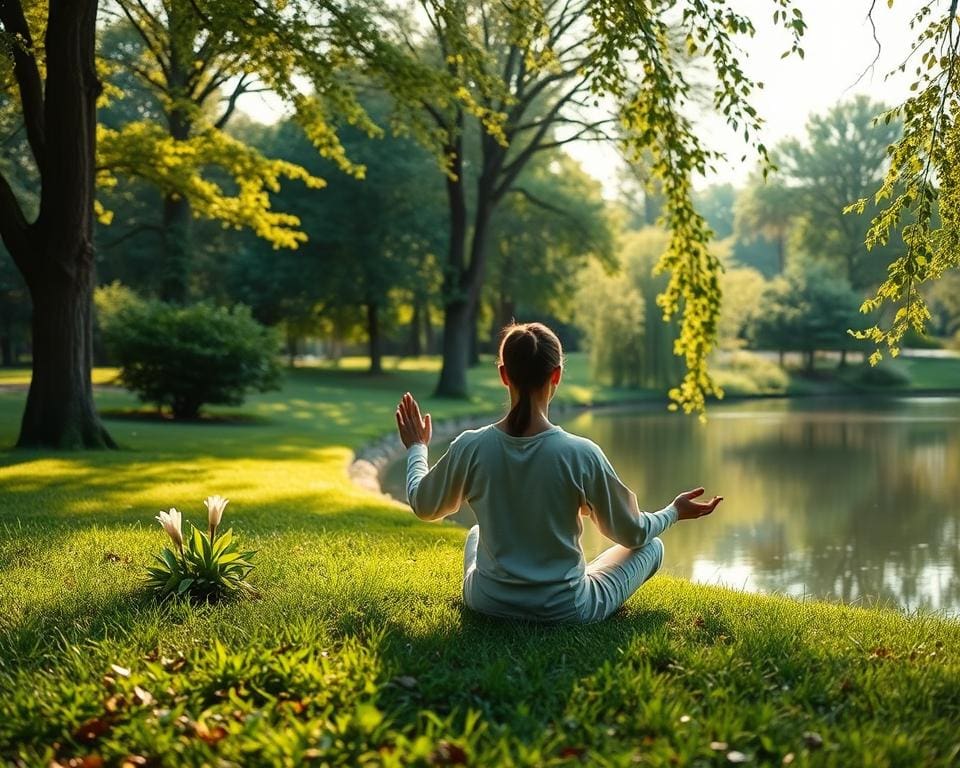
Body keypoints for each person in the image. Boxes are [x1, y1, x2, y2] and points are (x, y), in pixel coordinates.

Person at [394, 321, 722, 623]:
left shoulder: (472, 446)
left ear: (504, 374)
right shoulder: (580, 454)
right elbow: (633, 533)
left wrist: (417, 448)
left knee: (476, 532)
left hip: (487, 601)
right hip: (567, 608)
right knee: (653, 547)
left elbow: (424, 505)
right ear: (557, 376)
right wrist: (673, 512)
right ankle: (570, 581)